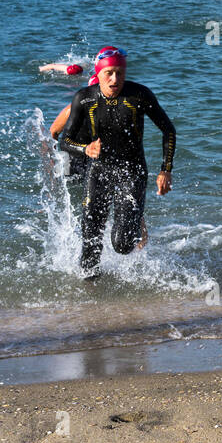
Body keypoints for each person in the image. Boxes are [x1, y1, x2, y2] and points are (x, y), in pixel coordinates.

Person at [58, 47, 175, 280]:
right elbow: (64, 140)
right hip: (98, 170)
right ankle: (89, 298)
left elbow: (168, 130)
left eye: (120, 73)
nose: (115, 79)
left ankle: (133, 218)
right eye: (109, 73)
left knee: (122, 244)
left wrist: (166, 170)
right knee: (90, 238)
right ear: (99, 74)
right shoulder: (84, 98)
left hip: (132, 171)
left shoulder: (139, 96)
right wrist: (85, 149)